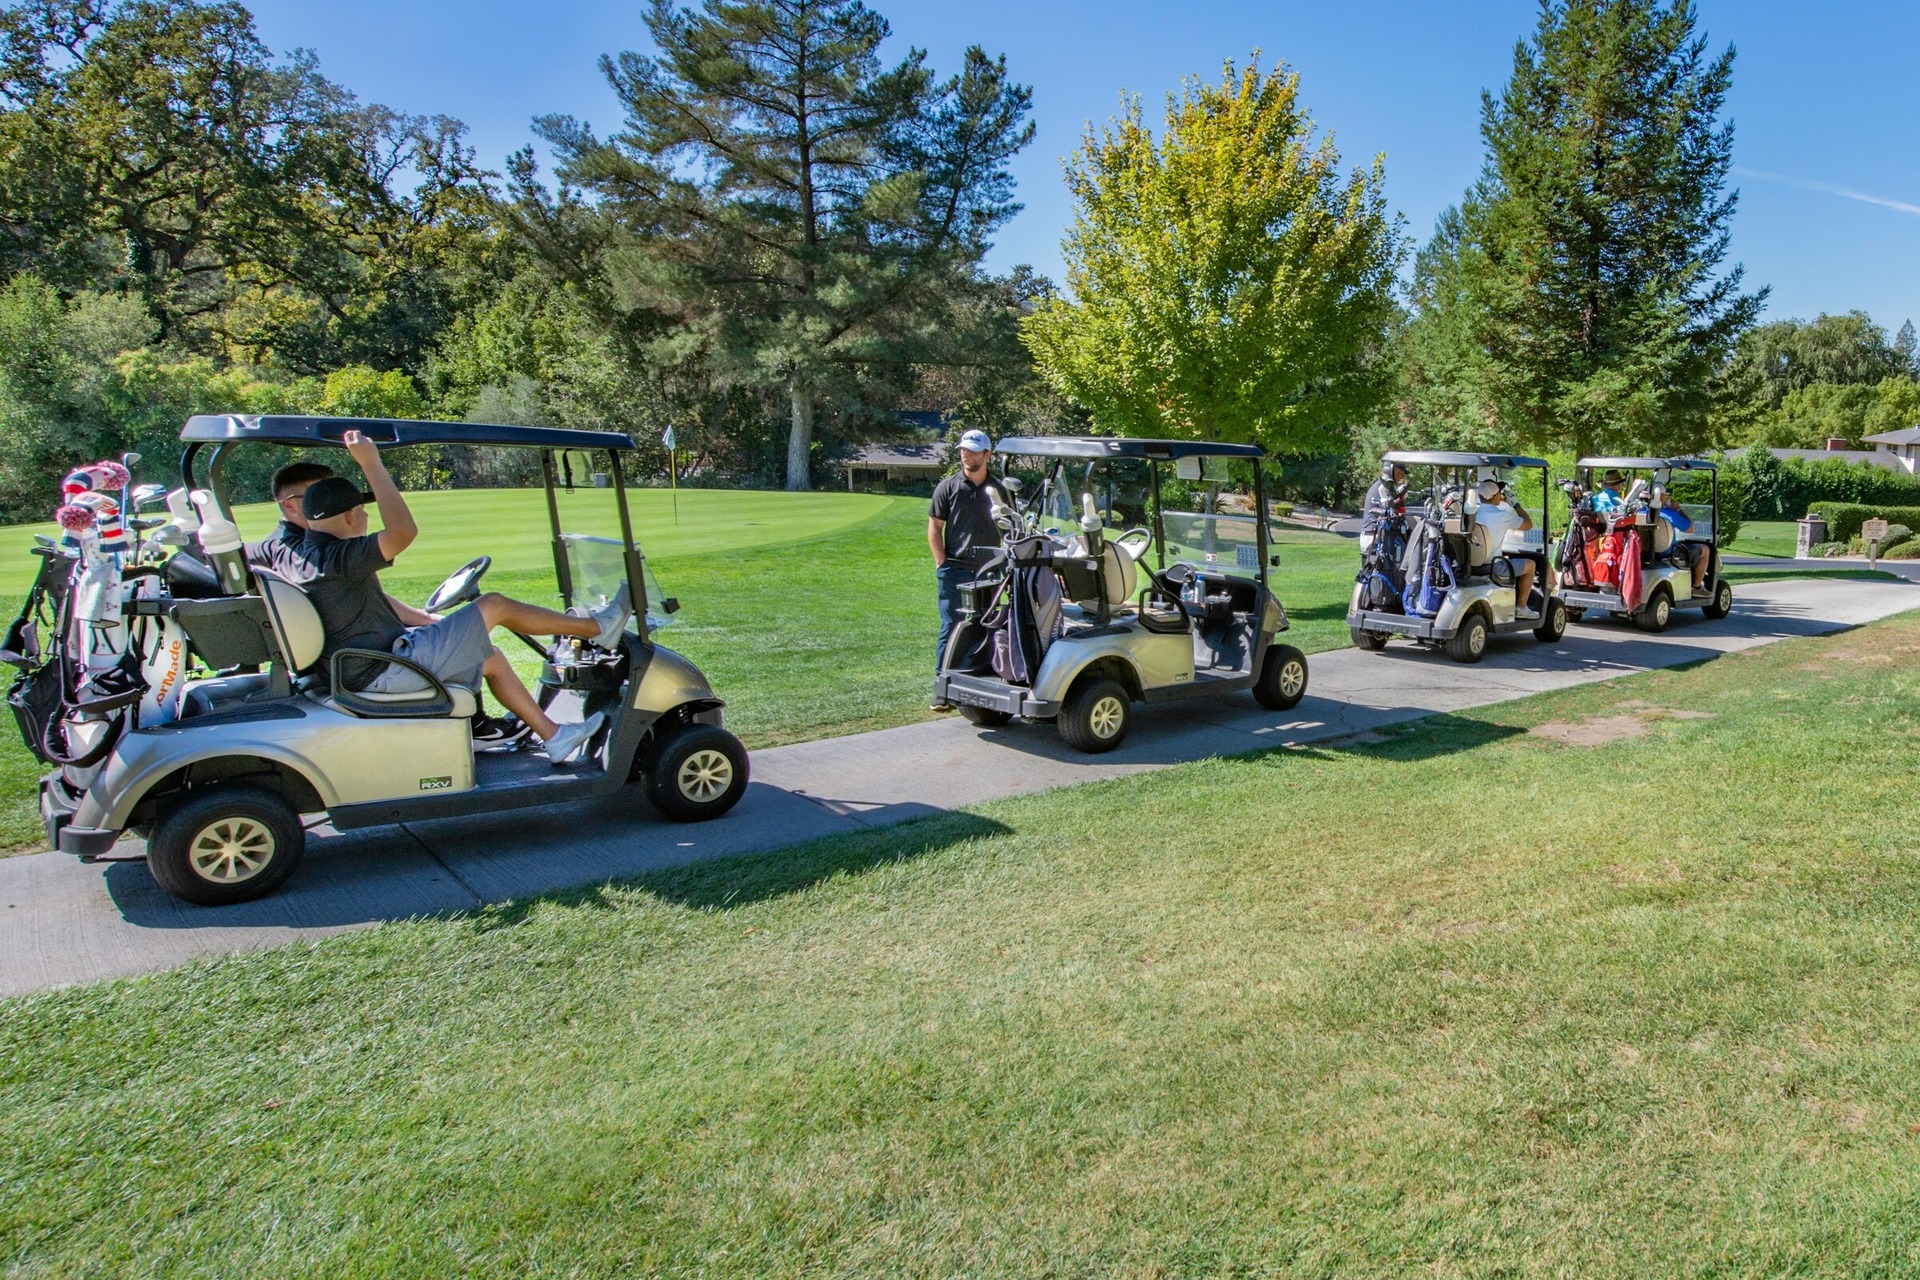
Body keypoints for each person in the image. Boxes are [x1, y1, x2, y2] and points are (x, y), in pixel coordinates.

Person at [292, 431, 628, 765]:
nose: (367, 517)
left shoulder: (309, 556)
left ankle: (554, 736)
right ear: (351, 516)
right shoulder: (338, 558)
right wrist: (371, 463)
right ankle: (598, 628)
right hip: (382, 671)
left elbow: (375, 601)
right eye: (364, 512)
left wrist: (428, 621)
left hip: (370, 663)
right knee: (494, 604)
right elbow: (403, 531)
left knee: (490, 657)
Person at [248, 460, 527, 748]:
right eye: (317, 495)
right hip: (362, 663)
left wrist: (423, 618)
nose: (328, 501)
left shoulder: (282, 547)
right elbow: (401, 533)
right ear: (290, 505)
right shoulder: (313, 553)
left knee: (451, 638)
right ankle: (481, 726)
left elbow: (360, 598)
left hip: (346, 657)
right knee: (479, 644)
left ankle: (476, 724)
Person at [927, 428, 1011, 711]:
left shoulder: (999, 490)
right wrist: (941, 562)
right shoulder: (948, 487)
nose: (966, 455)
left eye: (973, 451)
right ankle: (942, 689)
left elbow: (1010, 528)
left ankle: (977, 684)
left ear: (987, 455)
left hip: (989, 572)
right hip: (955, 570)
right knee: (951, 626)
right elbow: (934, 527)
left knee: (986, 626)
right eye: (964, 450)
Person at [1467, 473, 1538, 618]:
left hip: (1471, 565)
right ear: (1495, 497)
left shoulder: (1473, 513)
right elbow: (1528, 524)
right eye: (1499, 494)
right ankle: (1521, 607)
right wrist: (1515, 504)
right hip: (1493, 567)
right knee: (1530, 565)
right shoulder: (1503, 515)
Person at [1652, 485, 1708, 593]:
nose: (1667, 497)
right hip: (1669, 553)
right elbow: (1690, 529)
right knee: (1705, 550)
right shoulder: (1671, 514)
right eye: (1666, 495)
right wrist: (1678, 509)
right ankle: (1696, 587)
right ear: (1661, 495)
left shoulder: (1642, 511)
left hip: (1648, 552)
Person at [1360, 461, 1408, 554]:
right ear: (1392, 470)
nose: (1402, 477)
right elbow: (1392, 512)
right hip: (1374, 536)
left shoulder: (1385, 486)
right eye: (1400, 473)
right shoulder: (1384, 487)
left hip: (1374, 534)